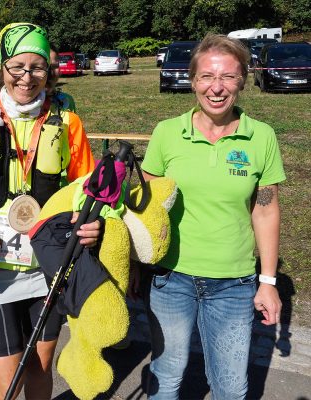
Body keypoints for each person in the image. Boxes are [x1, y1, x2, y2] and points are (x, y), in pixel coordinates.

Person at [0, 23, 100, 399]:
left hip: (48, 265)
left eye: (37, 67)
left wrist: (93, 223)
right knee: (6, 379)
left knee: (40, 368)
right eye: (17, 67)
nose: (27, 78)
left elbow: (88, 191)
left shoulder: (68, 122)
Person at [137, 33, 285, 399]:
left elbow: (265, 210)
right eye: (206, 76)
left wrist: (268, 281)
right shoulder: (167, 133)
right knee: (167, 377)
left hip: (233, 283)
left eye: (228, 77)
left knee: (231, 387)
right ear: (192, 80)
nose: (216, 88)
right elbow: (148, 208)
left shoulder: (262, 137)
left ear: (242, 81)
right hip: (171, 279)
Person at [47, 44, 76, 112]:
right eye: (42, 66)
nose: (50, 73)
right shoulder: (20, 106)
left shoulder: (67, 100)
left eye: (54, 66)